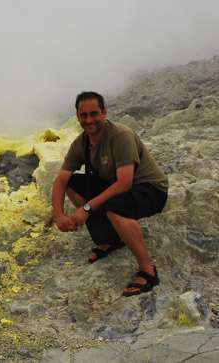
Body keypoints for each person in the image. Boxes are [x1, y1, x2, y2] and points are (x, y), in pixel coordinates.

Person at [51, 91, 168, 297]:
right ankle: (113, 237)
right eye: (83, 115)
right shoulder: (81, 143)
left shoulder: (120, 135)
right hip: (115, 186)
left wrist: (86, 208)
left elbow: (125, 182)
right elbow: (61, 179)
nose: (89, 120)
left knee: (116, 207)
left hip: (150, 189)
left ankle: (148, 270)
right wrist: (59, 215)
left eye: (94, 113)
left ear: (104, 112)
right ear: (77, 116)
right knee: (72, 181)